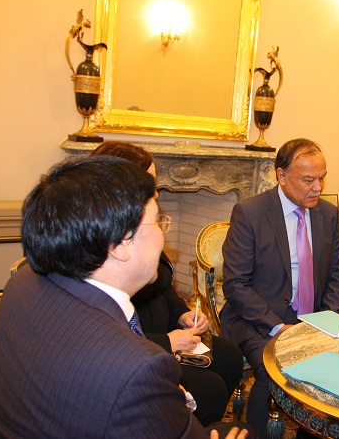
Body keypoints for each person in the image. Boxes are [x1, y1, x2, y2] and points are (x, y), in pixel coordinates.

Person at [0, 156, 252, 439]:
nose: (162, 236)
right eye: (156, 221)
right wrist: (156, 395)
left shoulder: (23, 281)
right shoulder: (139, 369)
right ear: (121, 242)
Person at [91, 141, 244, 426]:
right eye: (148, 184)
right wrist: (167, 342)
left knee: (230, 357)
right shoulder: (107, 248)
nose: (157, 193)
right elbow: (106, 335)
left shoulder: (140, 229)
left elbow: (163, 287)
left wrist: (182, 315)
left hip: (166, 334)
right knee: (209, 389)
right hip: (143, 345)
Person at [221, 138, 339, 437]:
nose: (318, 187)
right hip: (257, 318)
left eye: (322, 178)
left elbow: (337, 273)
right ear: (281, 175)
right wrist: (277, 326)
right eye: (308, 179)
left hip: (312, 318)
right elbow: (236, 284)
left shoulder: (328, 214)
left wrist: (327, 318)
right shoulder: (250, 213)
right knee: (274, 370)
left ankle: (311, 432)